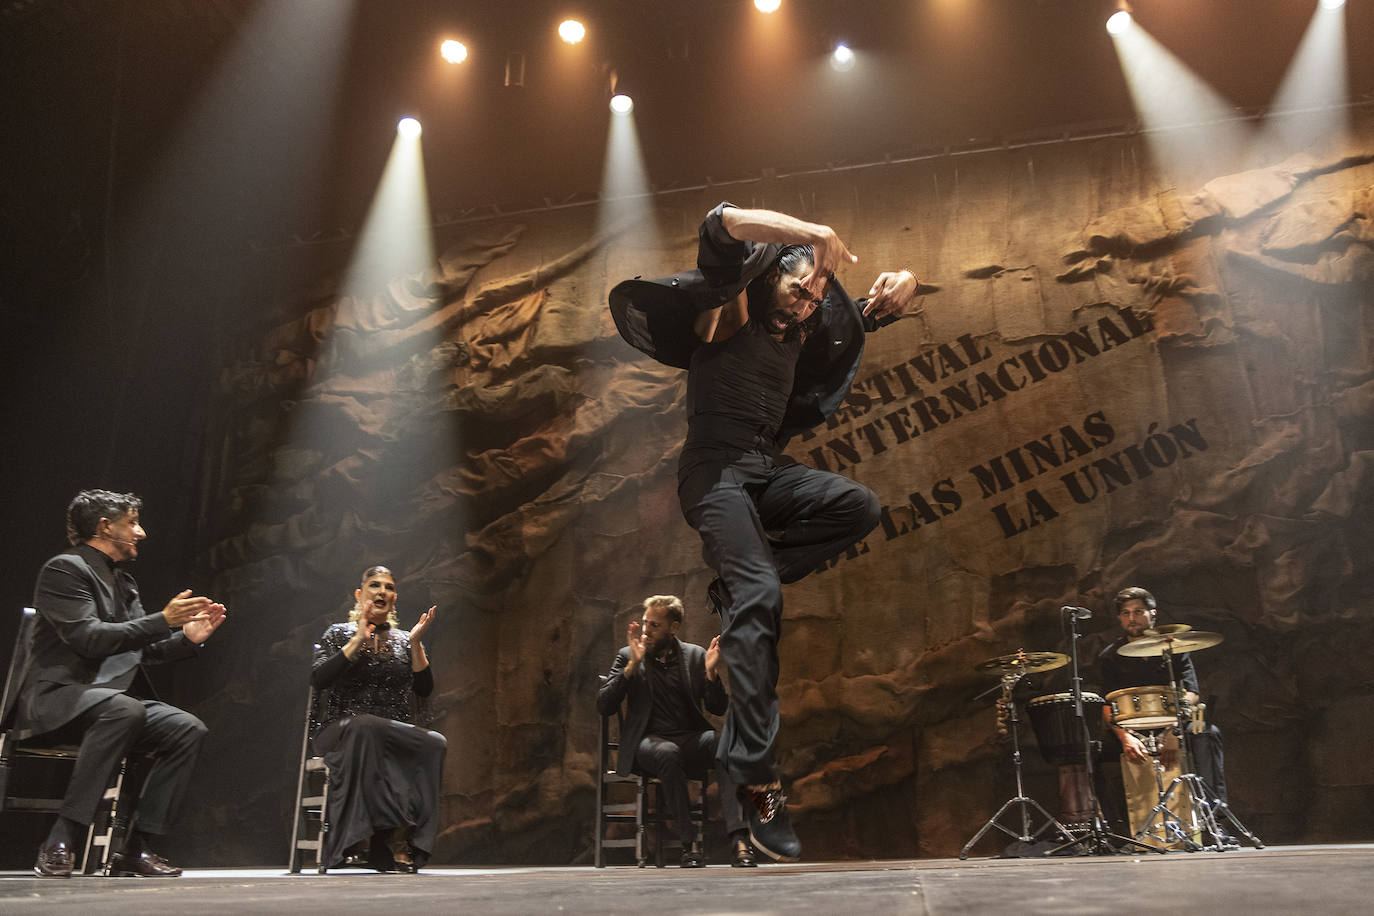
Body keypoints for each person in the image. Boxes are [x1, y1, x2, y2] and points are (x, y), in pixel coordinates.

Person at [609, 203, 920, 860]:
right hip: (714, 472)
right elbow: (721, 224)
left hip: (762, 469)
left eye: (816, 298)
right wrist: (811, 233)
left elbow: (846, 320)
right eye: (798, 288)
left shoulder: (798, 333)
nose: (807, 304)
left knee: (857, 507)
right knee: (761, 597)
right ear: (767, 280)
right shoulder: (730, 314)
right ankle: (757, 785)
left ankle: (746, 586)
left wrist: (886, 299)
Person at [18, 489, 228, 878]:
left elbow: (137, 649)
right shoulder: (64, 570)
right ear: (104, 526)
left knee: (187, 728)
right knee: (125, 708)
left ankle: (137, 847)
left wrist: (188, 638)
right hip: (61, 698)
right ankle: (62, 837)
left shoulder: (124, 583)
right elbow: (89, 638)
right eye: (131, 522)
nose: (141, 532)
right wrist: (162, 621)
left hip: (112, 703)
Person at [597, 595, 751, 867]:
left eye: (655, 625)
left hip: (688, 740)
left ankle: (740, 840)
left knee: (725, 744)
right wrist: (632, 666)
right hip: (646, 744)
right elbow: (604, 704)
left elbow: (717, 707)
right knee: (667, 753)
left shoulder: (694, 656)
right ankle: (688, 844)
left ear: (674, 627)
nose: (646, 630)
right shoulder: (627, 654)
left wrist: (712, 675)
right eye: (646, 623)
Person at [310, 565, 444, 873]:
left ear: (395, 598)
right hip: (339, 730)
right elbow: (319, 679)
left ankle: (407, 839)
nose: (382, 591)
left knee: (435, 742)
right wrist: (358, 637)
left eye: (389, 587)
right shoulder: (338, 633)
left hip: (386, 734)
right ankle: (371, 840)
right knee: (366, 725)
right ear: (360, 594)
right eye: (375, 585)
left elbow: (424, 689)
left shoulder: (404, 640)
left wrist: (415, 644)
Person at [1095, 587, 1229, 829]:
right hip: (1133, 730)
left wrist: (1174, 732)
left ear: (1152, 613)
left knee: (1207, 734)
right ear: (1119, 618)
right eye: (1125, 613)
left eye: (1138, 611)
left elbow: (1192, 694)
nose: (1132, 618)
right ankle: (1120, 829)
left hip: (1174, 723)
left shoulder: (1174, 648)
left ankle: (1214, 821)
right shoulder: (1110, 656)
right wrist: (1125, 738)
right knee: (1093, 754)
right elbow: (1107, 705)